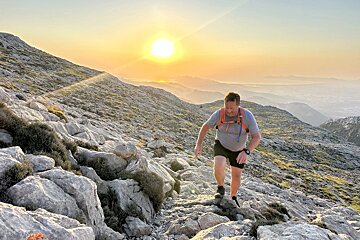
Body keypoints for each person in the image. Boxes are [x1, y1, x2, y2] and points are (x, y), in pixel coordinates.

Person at [194, 92, 261, 207]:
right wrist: (199, 144)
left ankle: (233, 197)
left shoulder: (247, 116)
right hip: (221, 144)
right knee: (218, 166)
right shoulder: (219, 114)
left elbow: (256, 137)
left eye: (232, 108)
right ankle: (220, 187)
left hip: (239, 149)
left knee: (236, 175)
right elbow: (205, 127)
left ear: (238, 105)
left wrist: (246, 151)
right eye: (227, 107)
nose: (229, 111)